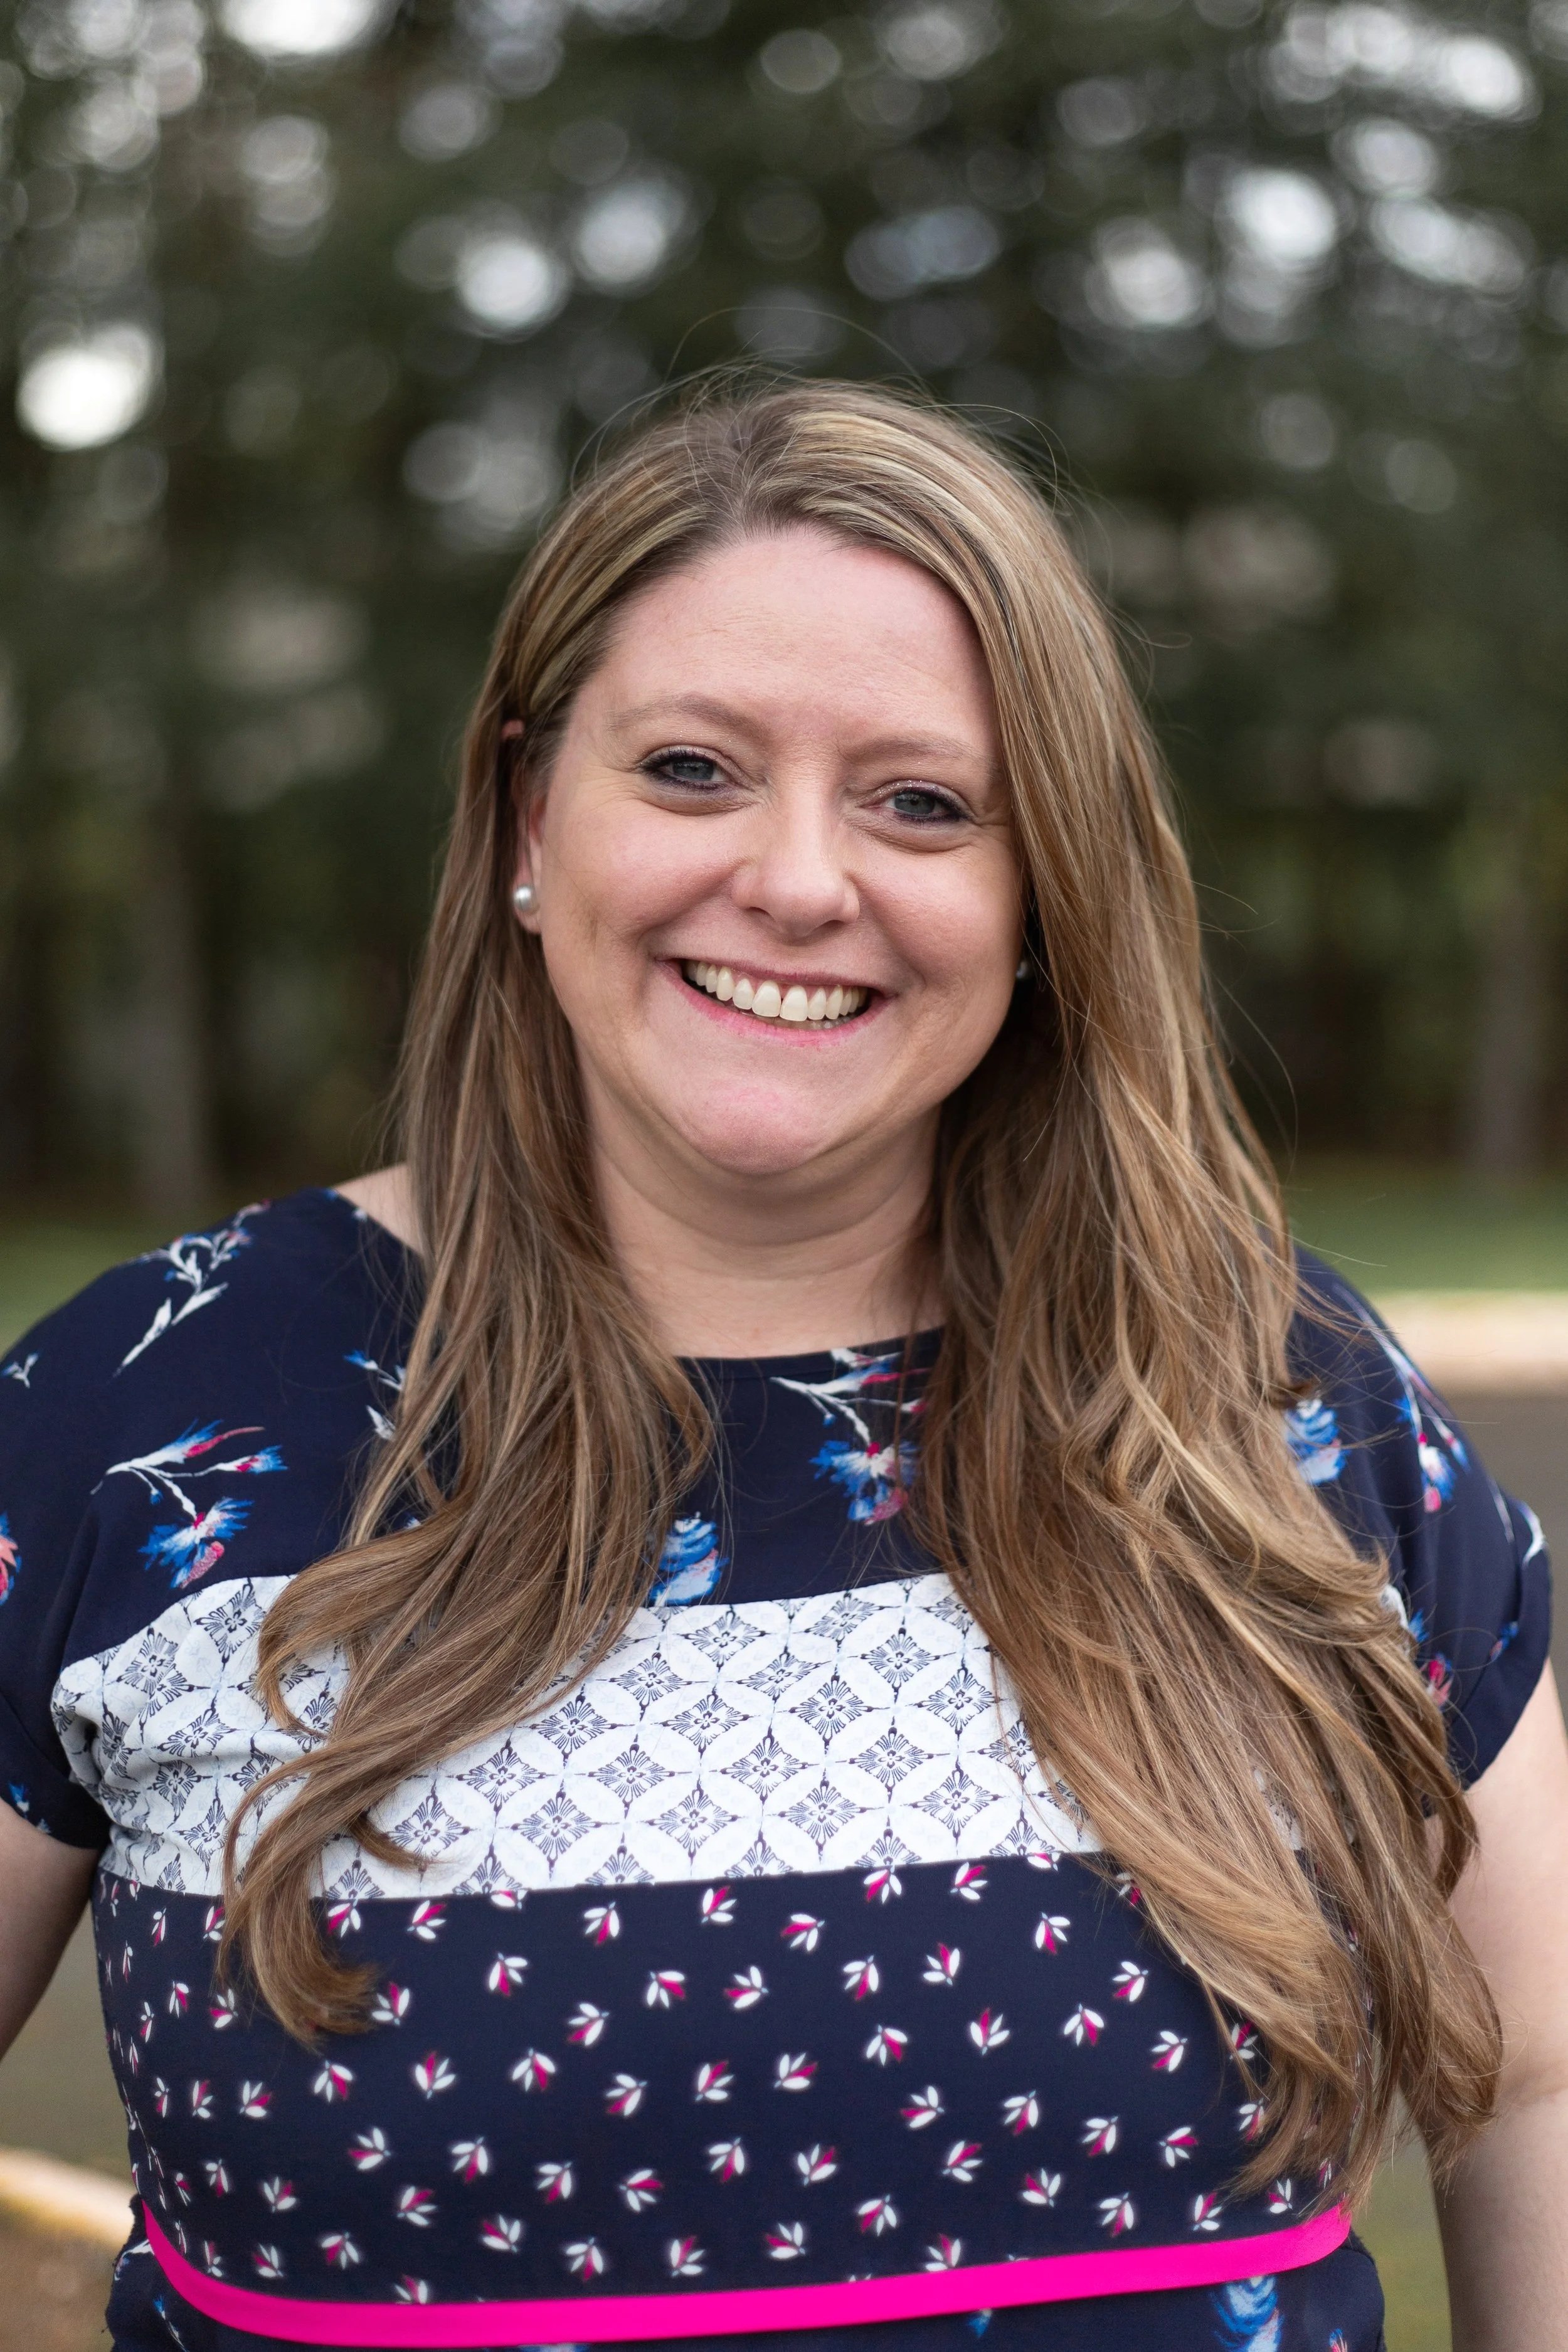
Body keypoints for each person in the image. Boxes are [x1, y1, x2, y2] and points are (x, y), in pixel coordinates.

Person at [0, 381, 1563, 2352]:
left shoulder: (1275, 1402)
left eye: (921, 802)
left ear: (1040, 899)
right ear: (521, 819)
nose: (801, 881)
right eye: (689, 769)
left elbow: (1532, 2081)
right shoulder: (145, 1407)